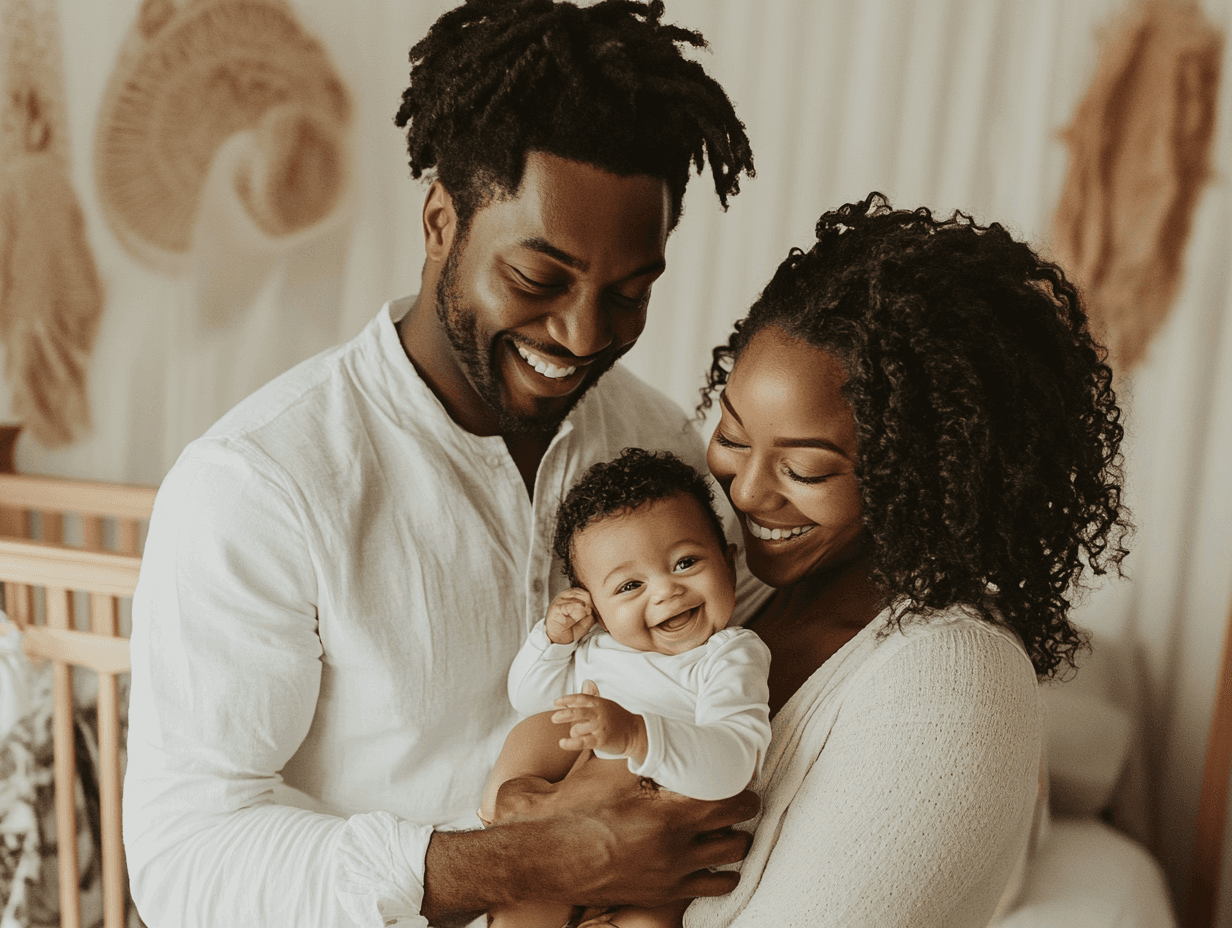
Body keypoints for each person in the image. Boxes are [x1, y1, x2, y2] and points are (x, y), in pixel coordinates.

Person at [121, 3, 768, 927]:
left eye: (629, 294)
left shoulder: (659, 449)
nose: (586, 337)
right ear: (439, 221)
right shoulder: (256, 484)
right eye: (539, 279)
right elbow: (187, 858)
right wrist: (538, 862)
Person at [674, 193, 1129, 927]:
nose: (749, 491)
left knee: (1101, 743)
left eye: (807, 471)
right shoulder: (736, 574)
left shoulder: (955, 686)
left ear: (922, 473)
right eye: (731, 434)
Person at [480, 448, 772, 928]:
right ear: (593, 604)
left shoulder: (728, 654)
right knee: (537, 735)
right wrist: (552, 643)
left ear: (729, 561)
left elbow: (735, 760)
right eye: (629, 586)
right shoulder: (599, 645)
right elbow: (530, 700)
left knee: (649, 923)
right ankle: (512, 822)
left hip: (660, 841)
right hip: (560, 826)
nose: (665, 591)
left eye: (685, 563)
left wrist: (637, 735)